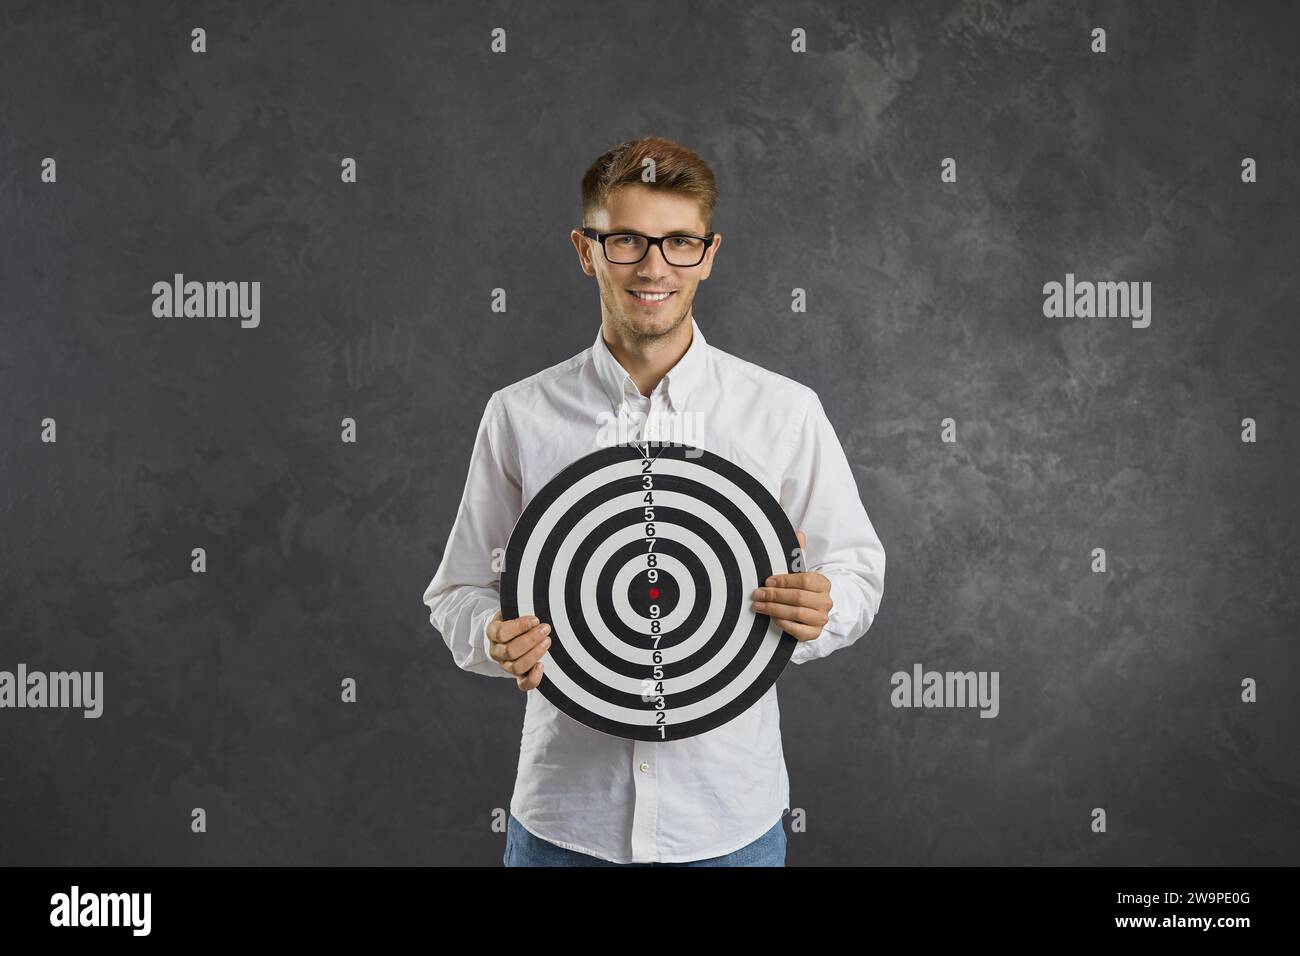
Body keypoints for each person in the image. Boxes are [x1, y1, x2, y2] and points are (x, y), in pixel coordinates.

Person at [423, 136, 886, 866]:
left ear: (709, 253)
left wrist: (823, 612)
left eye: (679, 243)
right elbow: (456, 594)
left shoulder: (784, 411)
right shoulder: (518, 414)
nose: (653, 267)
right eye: (628, 240)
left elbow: (856, 571)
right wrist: (492, 635)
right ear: (587, 250)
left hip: (729, 826)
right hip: (563, 826)